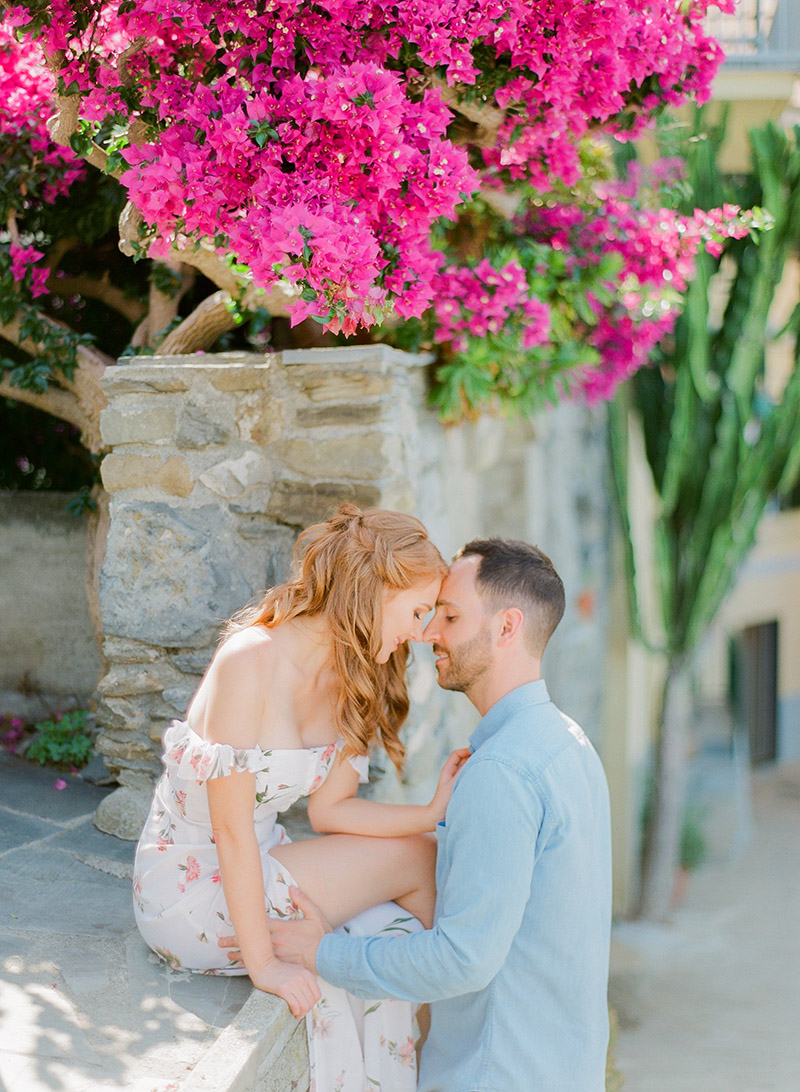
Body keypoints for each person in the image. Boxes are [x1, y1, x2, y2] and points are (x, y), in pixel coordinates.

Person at [132, 504, 470, 1092]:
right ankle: (474, 1047)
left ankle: (434, 1059)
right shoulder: (250, 658)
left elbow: (329, 811)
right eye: (416, 611)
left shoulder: (352, 675)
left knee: (393, 925)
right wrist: (265, 965)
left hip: (262, 861)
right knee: (422, 860)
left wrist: (431, 812)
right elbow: (232, 829)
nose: (422, 632)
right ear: (372, 588)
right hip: (190, 888)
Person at [266, 538, 613, 1092]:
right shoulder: (569, 745)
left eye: (450, 616)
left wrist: (321, 952)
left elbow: (462, 960)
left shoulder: (503, 771)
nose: (429, 633)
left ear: (507, 627)